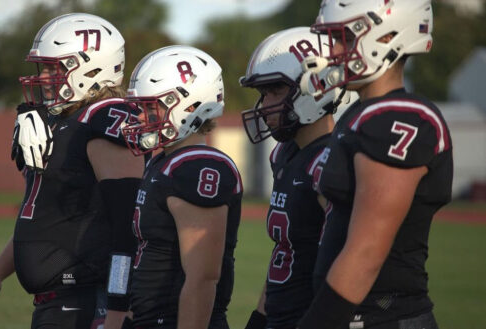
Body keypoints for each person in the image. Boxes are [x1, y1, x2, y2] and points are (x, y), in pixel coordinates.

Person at [0, 13, 145, 329]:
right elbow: (42, 216)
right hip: (56, 302)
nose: (45, 77)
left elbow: (128, 228)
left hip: (89, 302)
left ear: (93, 67)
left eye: (56, 68)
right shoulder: (62, 124)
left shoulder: (103, 119)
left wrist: (118, 309)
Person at [296, 1, 453, 328]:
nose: (333, 51)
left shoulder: (399, 117)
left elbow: (366, 253)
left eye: (344, 38)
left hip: (385, 319)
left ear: (386, 37)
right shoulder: (357, 115)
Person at [120, 45, 243, 329]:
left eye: (150, 108)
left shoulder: (197, 167)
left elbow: (203, 278)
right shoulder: (162, 160)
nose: (139, 118)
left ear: (188, 106)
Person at [238, 27, 348, 329]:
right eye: (263, 94)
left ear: (317, 88)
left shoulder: (330, 162)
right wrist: (259, 317)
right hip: (278, 315)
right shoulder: (285, 154)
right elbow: (286, 251)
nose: (265, 105)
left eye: (275, 91)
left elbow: (346, 265)